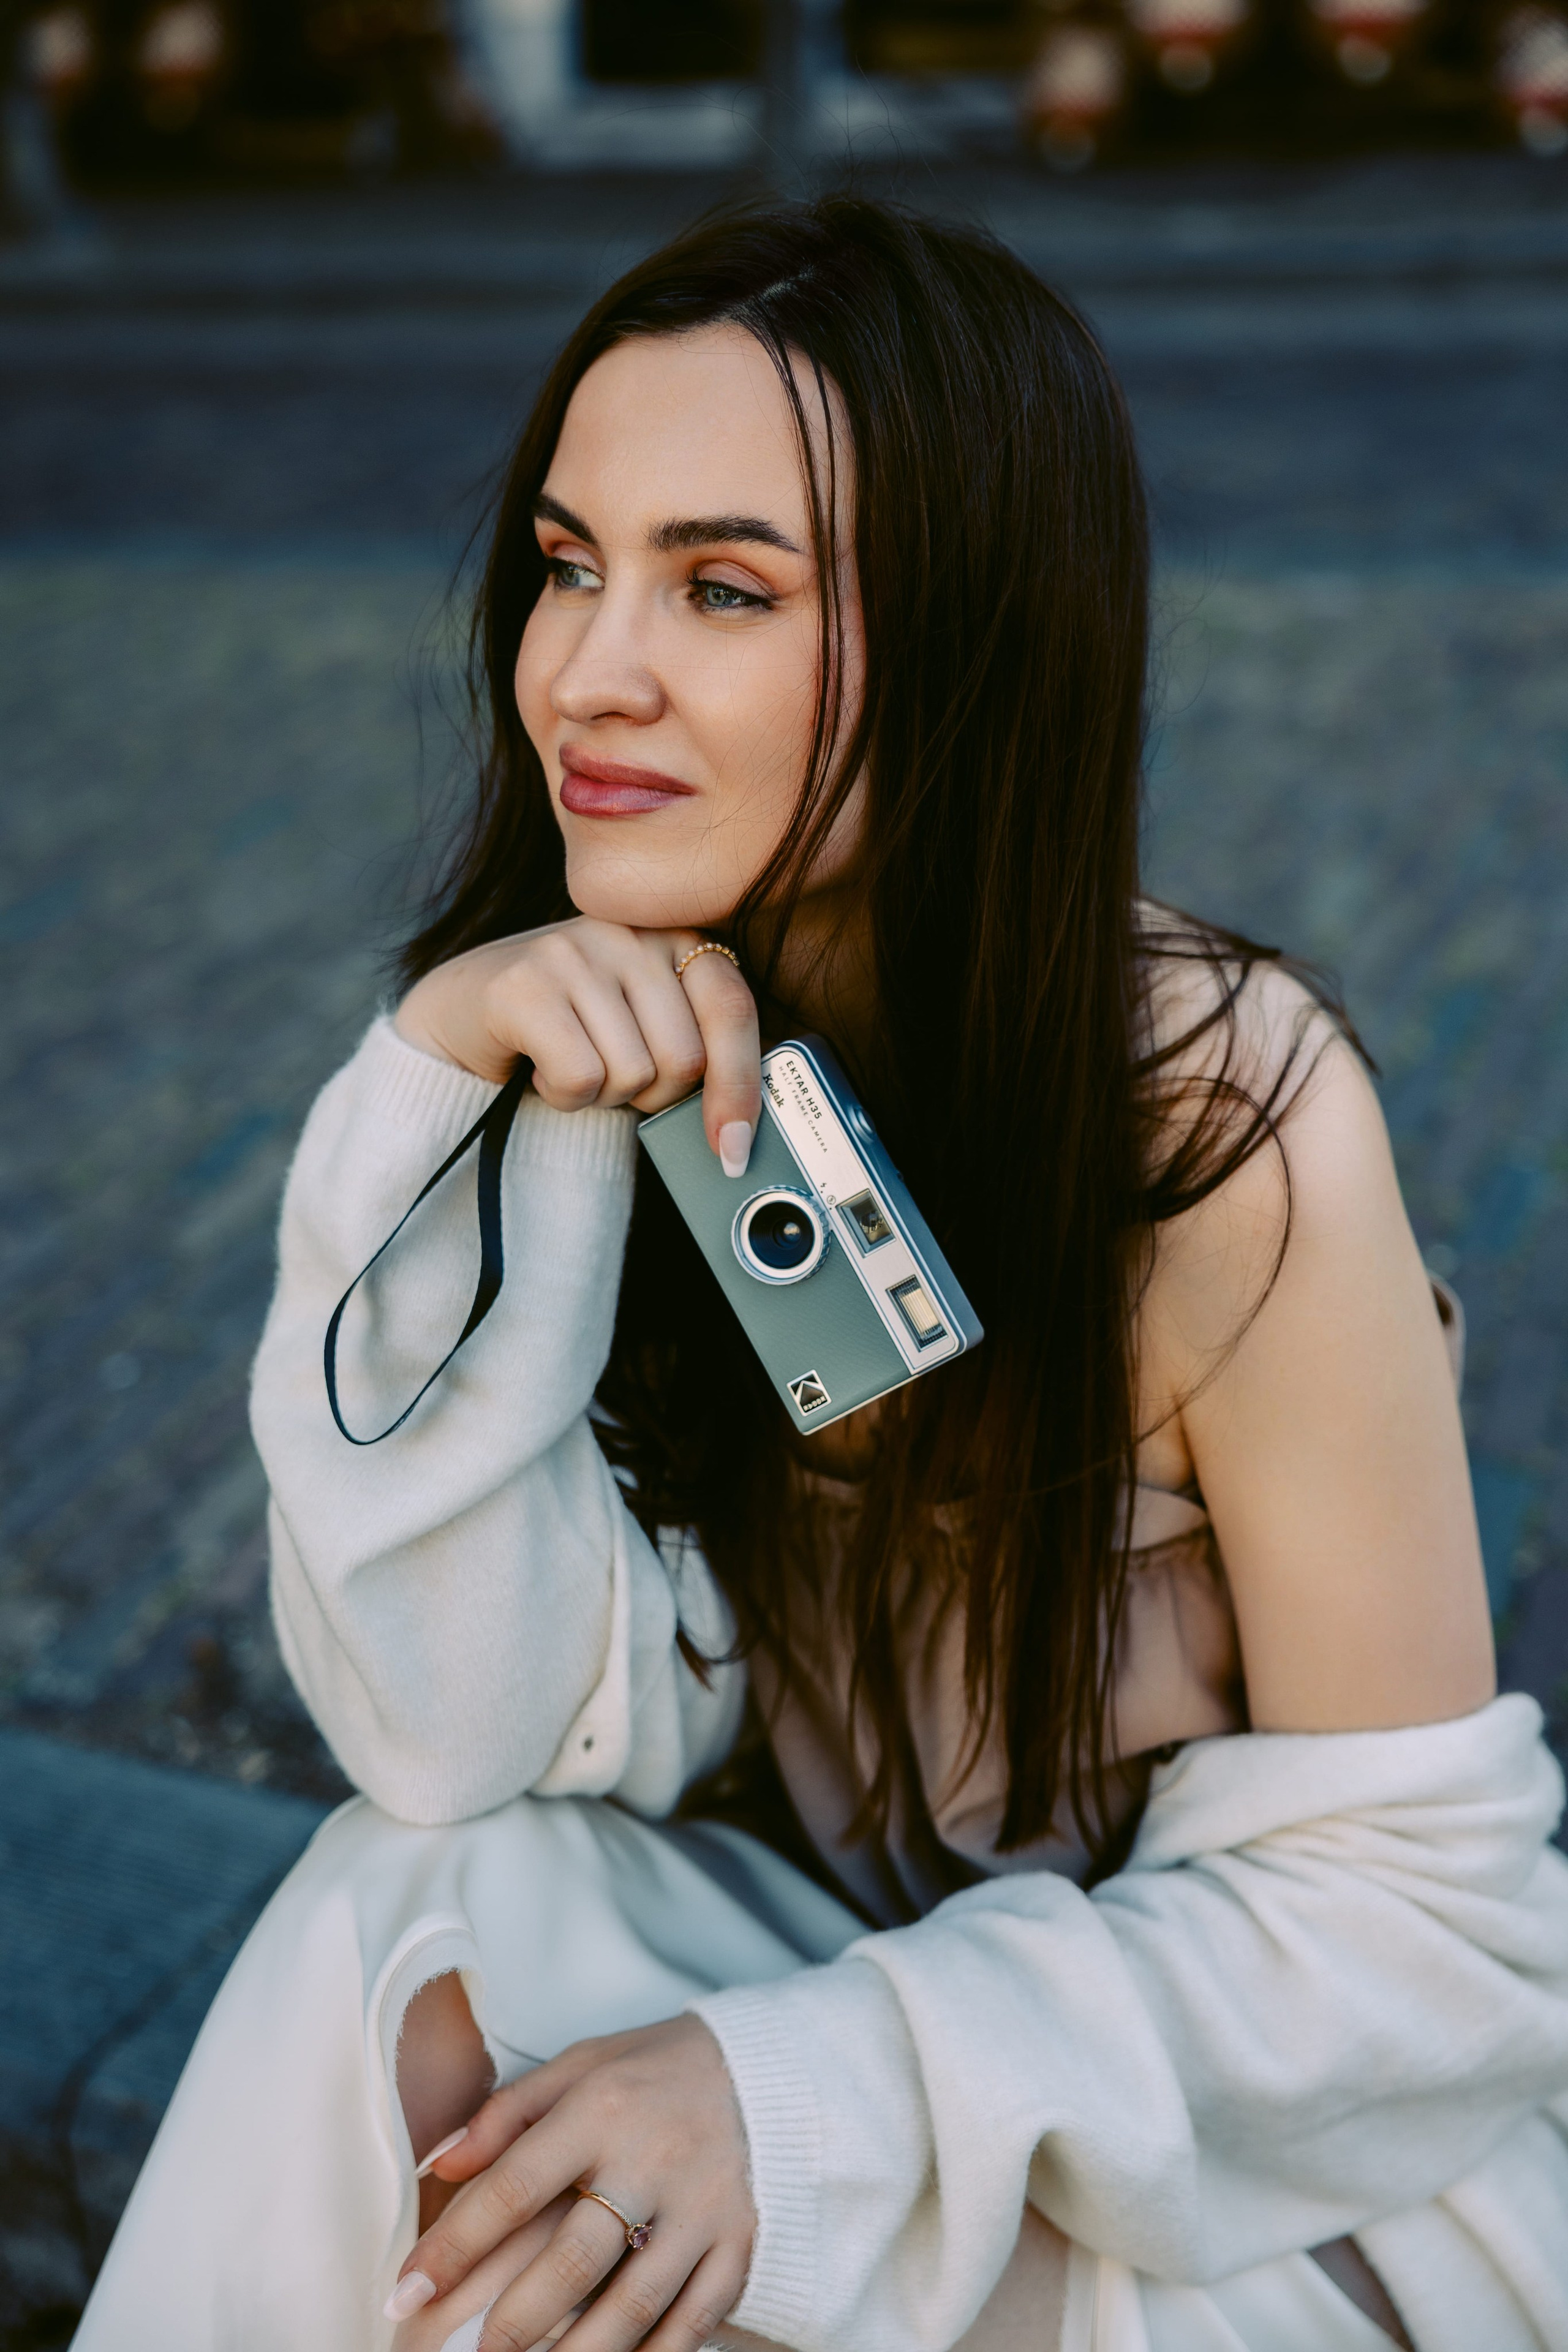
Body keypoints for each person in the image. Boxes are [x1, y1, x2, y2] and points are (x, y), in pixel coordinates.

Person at [75, 198, 1568, 2352]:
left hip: (1264, 2190)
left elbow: (1431, 1941)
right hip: (847, 2005)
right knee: (408, 1901)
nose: (589, 670)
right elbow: (449, 1735)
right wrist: (432, 1114)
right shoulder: (634, 1045)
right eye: (571, 564)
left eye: (726, 587)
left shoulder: (1217, 1121)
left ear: (977, 638)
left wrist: (813, 2092)